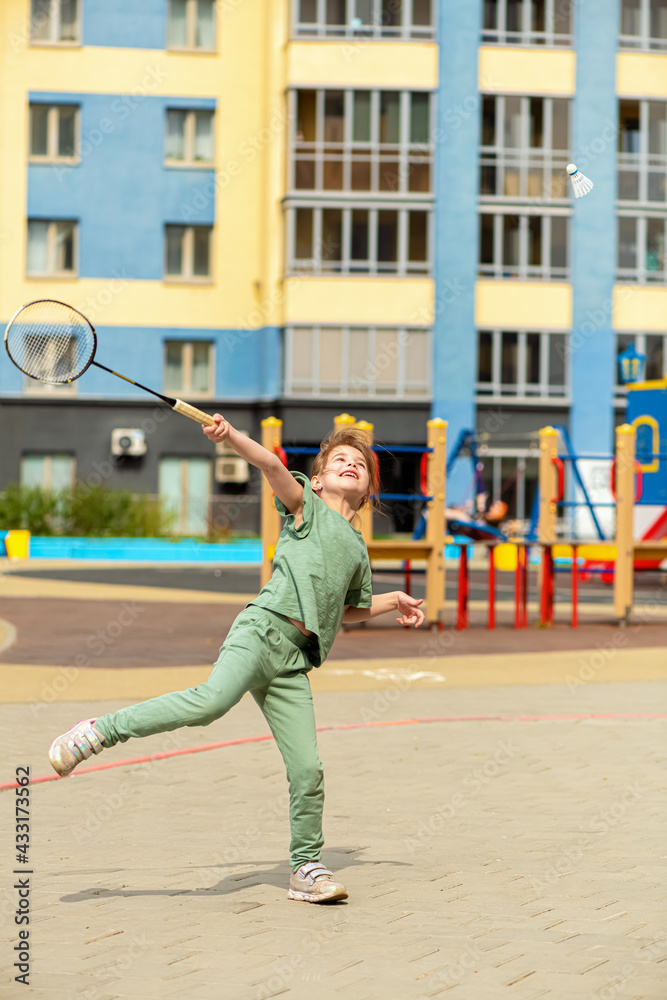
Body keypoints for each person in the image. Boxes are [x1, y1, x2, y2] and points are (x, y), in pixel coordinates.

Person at [48, 416, 425, 903]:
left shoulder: (357, 546)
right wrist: (230, 438)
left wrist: (393, 600)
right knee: (209, 704)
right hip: (261, 631)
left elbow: (346, 610)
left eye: (360, 465)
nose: (351, 465)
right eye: (340, 461)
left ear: (370, 488)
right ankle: (99, 730)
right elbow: (270, 463)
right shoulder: (304, 506)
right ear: (317, 479)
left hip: (294, 661)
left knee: (308, 769)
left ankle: (306, 867)